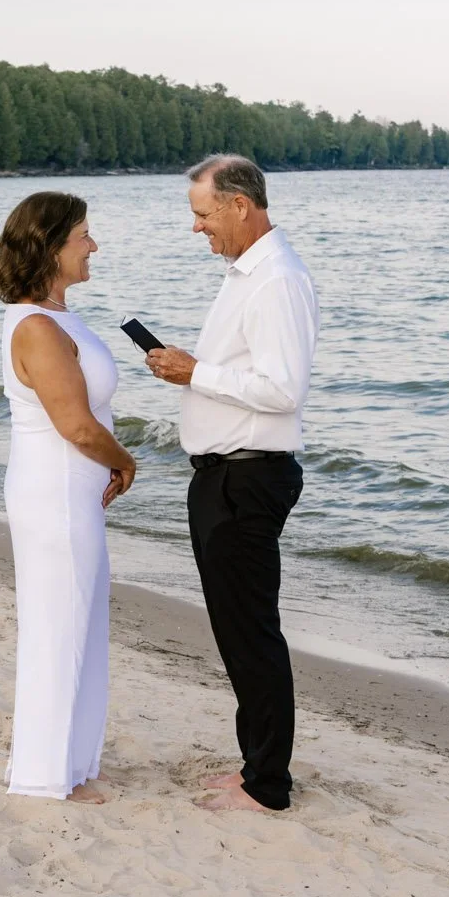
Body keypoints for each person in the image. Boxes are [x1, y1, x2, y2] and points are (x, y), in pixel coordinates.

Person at [145, 154, 319, 812]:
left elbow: (282, 391)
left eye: (202, 213)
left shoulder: (276, 280)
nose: (197, 228)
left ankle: (267, 785)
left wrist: (197, 374)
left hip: (250, 478)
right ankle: (256, 768)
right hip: (225, 476)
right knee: (237, 631)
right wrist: (192, 372)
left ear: (240, 205)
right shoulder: (245, 276)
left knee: (251, 633)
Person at [0, 191, 136, 803]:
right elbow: (75, 425)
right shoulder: (37, 327)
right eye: (83, 236)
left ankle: (70, 763)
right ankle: (45, 776)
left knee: (80, 623)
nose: (93, 246)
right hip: (54, 494)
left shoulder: (56, 318)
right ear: (51, 247)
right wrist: (125, 461)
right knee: (57, 629)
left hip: (68, 493)